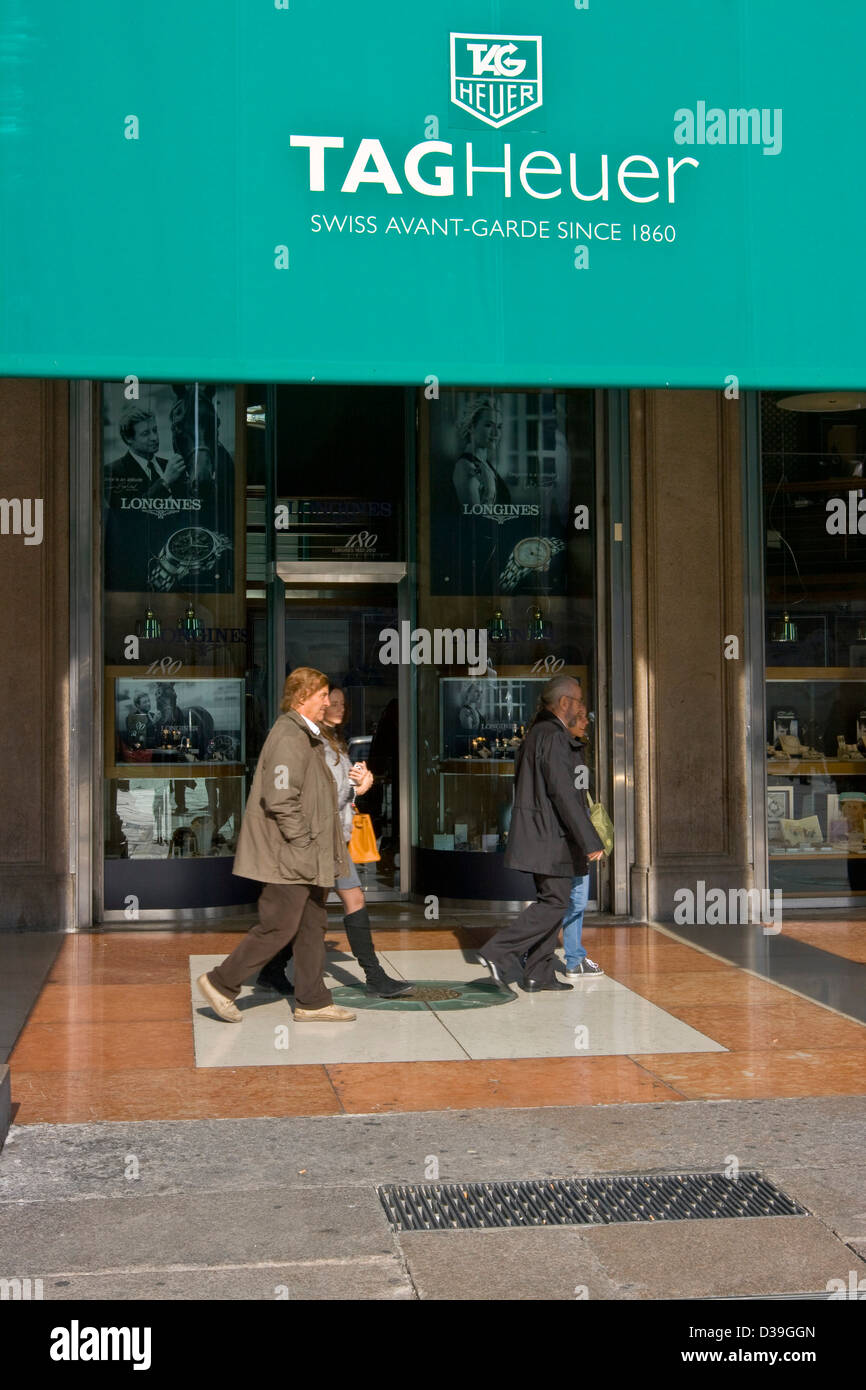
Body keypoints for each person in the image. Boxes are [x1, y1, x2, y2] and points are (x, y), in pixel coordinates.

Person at [197, 666, 356, 1024]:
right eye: (321, 696)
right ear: (301, 698)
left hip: (308, 856)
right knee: (279, 926)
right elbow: (281, 798)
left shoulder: (307, 734)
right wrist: (303, 842)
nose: (327, 701)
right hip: (290, 856)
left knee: (312, 925)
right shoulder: (289, 735)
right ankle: (220, 983)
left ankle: (313, 1001)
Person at [258, 686, 413, 999]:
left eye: (342, 702)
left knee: (344, 901)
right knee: (308, 909)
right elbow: (323, 797)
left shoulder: (333, 741)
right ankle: (260, 972)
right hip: (321, 841)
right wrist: (359, 789)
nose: (339, 707)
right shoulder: (315, 743)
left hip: (333, 840)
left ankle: (372, 975)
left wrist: (357, 781)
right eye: (332, 702)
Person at [476, 675, 604, 992]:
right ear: (564, 702)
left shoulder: (540, 733)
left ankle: (539, 972)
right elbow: (564, 794)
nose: (583, 707)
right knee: (556, 903)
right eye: (580, 700)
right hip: (552, 838)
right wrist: (590, 839)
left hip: (542, 836)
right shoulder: (553, 736)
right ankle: (497, 951)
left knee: (553, 900)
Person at [559, 697, 605, 979]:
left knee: (577, 897)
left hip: (578, 831)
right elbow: (568, 802)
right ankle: (528, 948)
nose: (587, 722)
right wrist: (589, 840)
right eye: (583, 717)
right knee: (566, 899)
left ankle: (574, 957)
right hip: (568, 835)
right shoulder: (561, 750)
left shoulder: (578, 749)